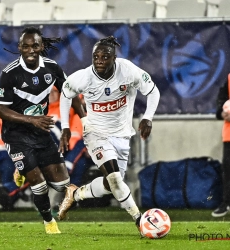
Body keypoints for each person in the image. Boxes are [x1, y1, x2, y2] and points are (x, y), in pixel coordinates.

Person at [58, 36, 160, 234]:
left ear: (114, 58)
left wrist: (148, 117)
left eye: (105, 56)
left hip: (122, 136)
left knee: (112, 184)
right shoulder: (84, 77)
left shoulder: (128, 70)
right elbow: (65, 93)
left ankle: (76, 194)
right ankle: (140, 220)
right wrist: (65, 127)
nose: (100, 60)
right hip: (96, 134)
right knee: (114, 179)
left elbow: (153, 91)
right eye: (96, 56)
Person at [0, 26, 85, 234]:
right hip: (16, 134)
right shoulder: (10, 74)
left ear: (41, 46)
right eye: (25, 46)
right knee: (39, 184)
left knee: (62, 184)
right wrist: (31, 119)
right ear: (19, 48)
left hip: (40, 133)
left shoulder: (52, 68)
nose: (30, 50)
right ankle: (49, 222)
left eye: (35, 45)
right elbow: (2, 110)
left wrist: (84, 120)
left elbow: (70, 94)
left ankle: (23, 168)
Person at [212, 73, 230, 217]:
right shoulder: (229, 78)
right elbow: (221, 101)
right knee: (227, 171)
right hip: (229, 135)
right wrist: (222, 113)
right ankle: (226, 203)